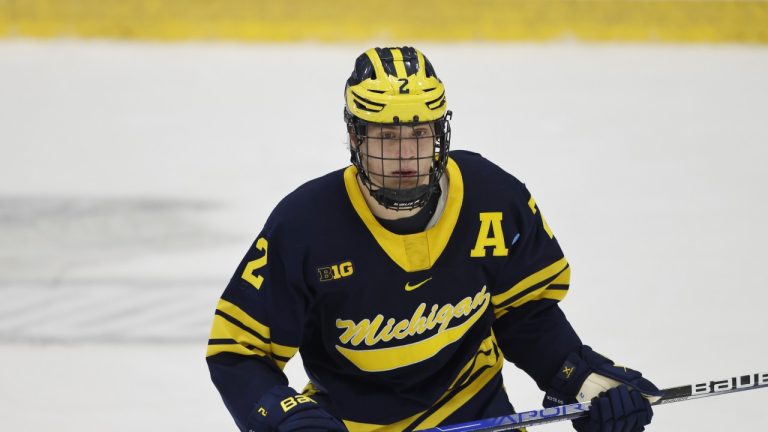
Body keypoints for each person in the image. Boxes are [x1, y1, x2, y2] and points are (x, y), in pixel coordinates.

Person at [206, 46, 661, 432]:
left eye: (420, 134)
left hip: (476, 411)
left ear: (440, 132)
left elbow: (523, 311)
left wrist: (577, 376)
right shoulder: (305, 224)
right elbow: (238, 352)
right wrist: (282, 417)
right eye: (386, 136)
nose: (406, 156)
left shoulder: (492, 198)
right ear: (354, 137)